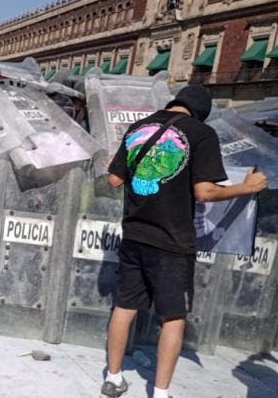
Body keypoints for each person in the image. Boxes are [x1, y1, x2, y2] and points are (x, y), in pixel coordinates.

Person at [100, 85, 268, 398]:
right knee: (173, 318)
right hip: (172, 242)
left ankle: (113, 378)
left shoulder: (138, 128)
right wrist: (248, 188)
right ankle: (160, 393)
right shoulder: (201, 133)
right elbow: (204, 192)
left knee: (124, 307)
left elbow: (113, 179)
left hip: (134, 235)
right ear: (200, 112)